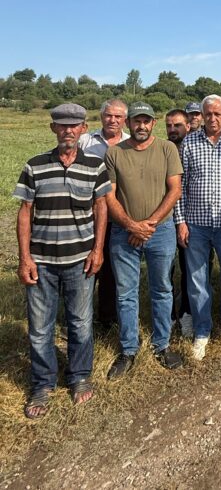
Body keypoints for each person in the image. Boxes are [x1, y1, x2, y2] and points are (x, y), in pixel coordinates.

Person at [14, 103, 111, 418]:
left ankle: (80, 375)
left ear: (83, 129)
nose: (68, 130)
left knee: (80, 323)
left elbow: (101, 208)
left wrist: (98, 250)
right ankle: (42, 383)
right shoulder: (35, 166)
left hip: (80, 260)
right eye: (62, 125)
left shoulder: (95, 166)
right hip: (41, 261)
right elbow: (25, 212)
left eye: (75, 125)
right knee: (40, 328)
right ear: (53, 128)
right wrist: (25, 257)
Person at [105, 102, 184, 379]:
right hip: (123, 233)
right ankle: (128, 349)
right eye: (136, 121)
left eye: (146, 121)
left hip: (159, 232)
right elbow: (109, 195)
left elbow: (175, 190)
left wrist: (148, 225)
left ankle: (162, 344)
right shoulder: (115, 153)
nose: (141, 126)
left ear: (153, 124)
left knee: (162, 288)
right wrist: (130, 224)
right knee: (126, 292)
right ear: (128, 124)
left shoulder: (167, 149)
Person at [175, 95, 221, 361]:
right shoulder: (189, 142)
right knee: (197, 281)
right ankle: (202, 330)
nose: (213, 119)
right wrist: (180, 221)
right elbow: (179, 187)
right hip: (196, 224)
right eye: (208, 114)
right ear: (202, 116)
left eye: (218, 114)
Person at [79, 99, 129, 329]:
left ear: (125, 120)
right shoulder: (85, 142)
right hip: (88, 217)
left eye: (118, 117)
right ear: (101, 117)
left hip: (118, 217)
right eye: (109, 115)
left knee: (112, 269)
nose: (113, 120)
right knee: (86, 268)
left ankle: (107, 318)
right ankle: (81, 318)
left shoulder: (130, 143)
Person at [165, 109, 193, 338]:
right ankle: (169, 315)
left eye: (178, 125)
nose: (173, 130)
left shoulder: (192, 147)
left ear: (188, 126)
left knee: (188, 269)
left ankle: (186, 312)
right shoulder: (163, 149)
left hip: (188, 219)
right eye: (170, 126)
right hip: (165, 218)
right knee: (166, 271)